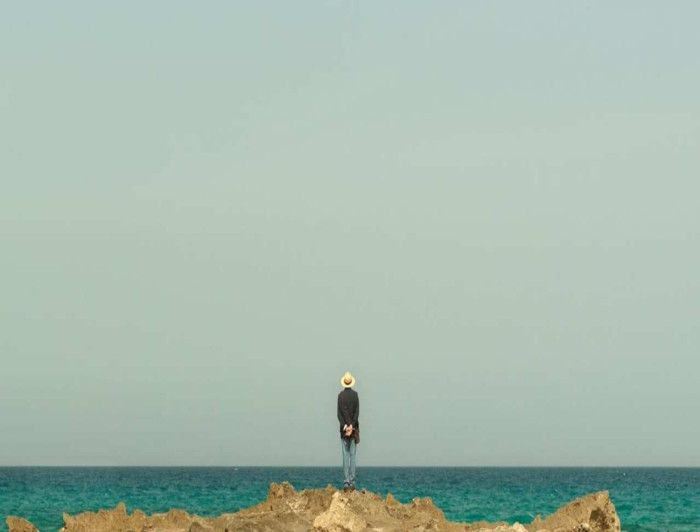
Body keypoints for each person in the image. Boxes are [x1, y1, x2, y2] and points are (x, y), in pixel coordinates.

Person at [337, 371, 359, 491]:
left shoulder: (340, 396)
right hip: (354, 430)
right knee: (353, 456)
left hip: (343, 431)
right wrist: (352, 426)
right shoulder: (355, 395)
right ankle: (352, 482)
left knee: (345, 456)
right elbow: (357, 413)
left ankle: (346, 483)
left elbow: (339, 415)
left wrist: (346, 426)